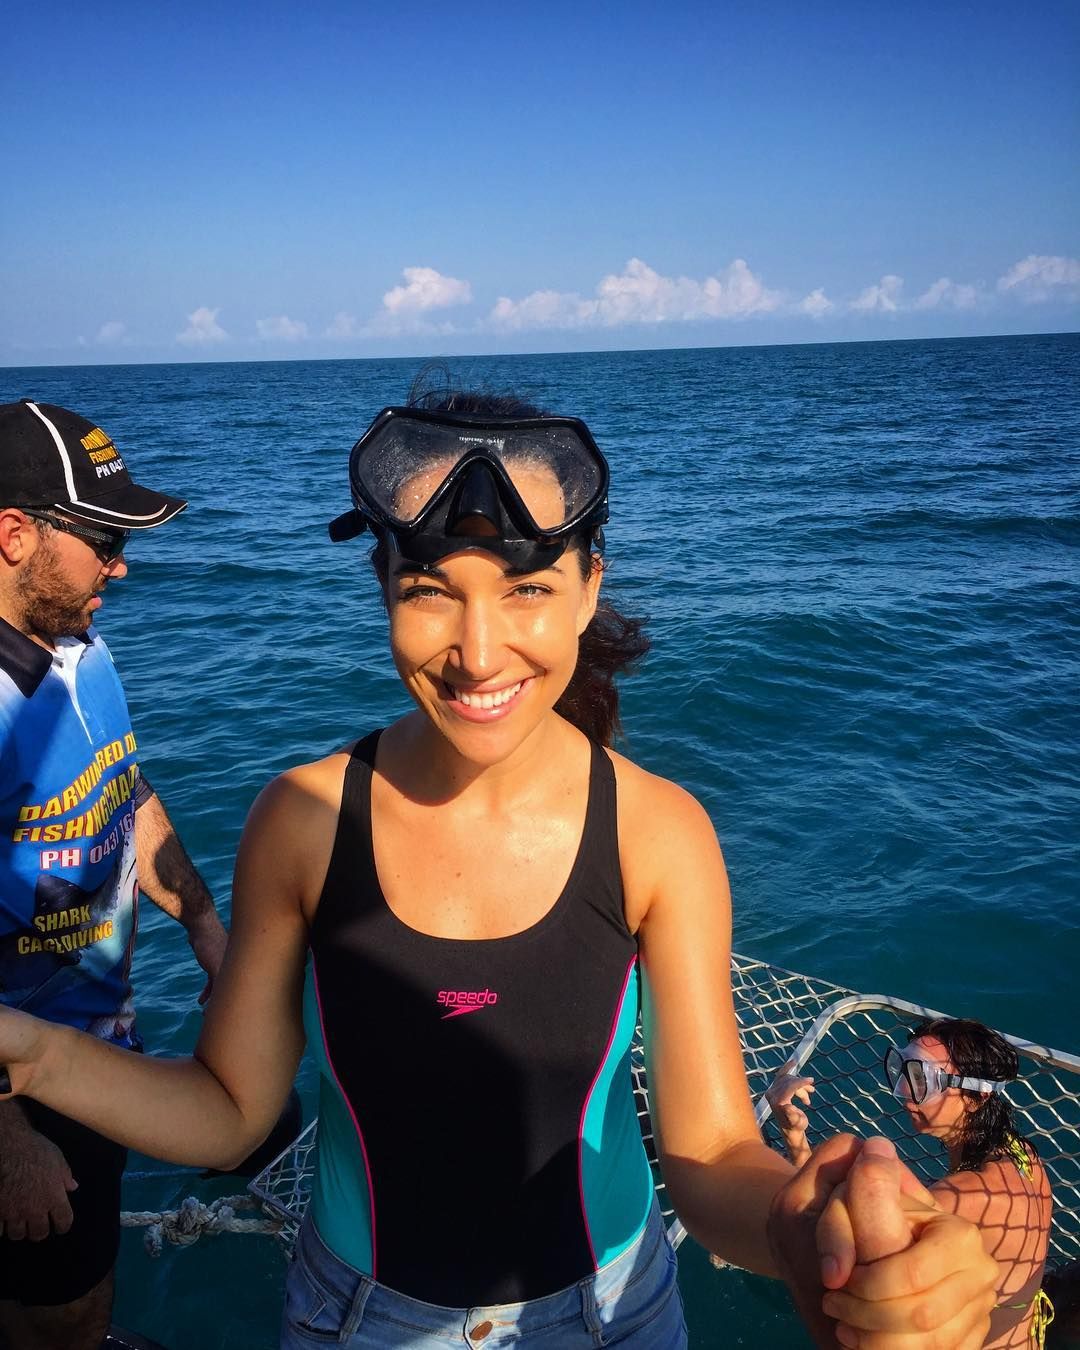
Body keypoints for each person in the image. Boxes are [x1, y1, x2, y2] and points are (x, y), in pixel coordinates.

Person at [0, 384, 1000, 1348]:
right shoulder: (303, 821)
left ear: (590, 587)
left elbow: (709, 1156)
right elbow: (228, 1114)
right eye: (431, 592)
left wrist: (809, 1228)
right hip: (359, 1321)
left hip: (613, 1316)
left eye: (528, 589)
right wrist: (34, 1055)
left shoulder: (658, 833)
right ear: (383, 588)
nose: (479, 654)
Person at [0, 401, 228, 1350]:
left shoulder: (78, 644)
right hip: (23, 1089)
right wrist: (6, 1140)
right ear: (14, 535)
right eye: (103, 541)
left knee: (75, 1291)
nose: (121, 566)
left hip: (94, 1048)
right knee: (61, 1312)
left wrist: (207, 927)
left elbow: (122, 792)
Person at [767, 1018, 1054, 1348]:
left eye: (921, 1079)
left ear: (976, 1098)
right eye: (902, 1071)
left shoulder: (958, 1198)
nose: (905, 1094)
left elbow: (828, 1257)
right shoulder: (1024, 1156)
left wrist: (794, 1138)